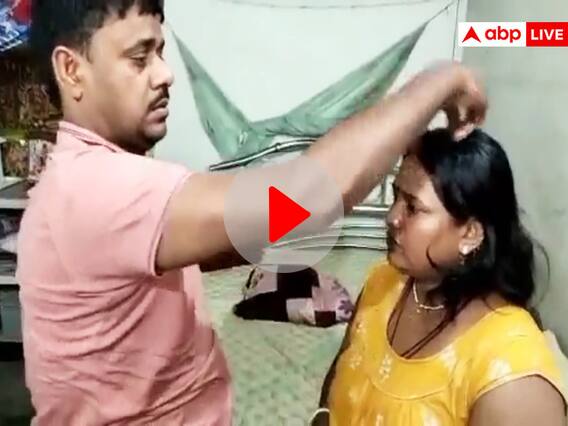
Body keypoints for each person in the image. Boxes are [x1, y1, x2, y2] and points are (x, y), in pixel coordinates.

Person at [18, 0, 486, 424]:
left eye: (160, 53)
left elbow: (261, 228)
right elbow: (303, 199)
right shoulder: (99, 188)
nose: (165, 74)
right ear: (71, 70)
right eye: (139, 59)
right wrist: (441, 79)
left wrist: (278, 227)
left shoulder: (88, 181)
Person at [315, 129, 567, 426]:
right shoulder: (382, 282)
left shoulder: (511, 375)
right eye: (396, 196)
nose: (392, 217)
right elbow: (336, 382)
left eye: (413, 207)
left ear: (470, 234)